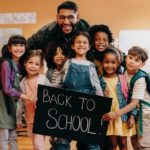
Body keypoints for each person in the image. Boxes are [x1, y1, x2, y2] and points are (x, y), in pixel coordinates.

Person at [55, 31, 103, 150]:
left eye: (85, 42)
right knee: (62, 141)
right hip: (67, 106)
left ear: (89, 46)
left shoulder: (91, 65)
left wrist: (102, 106)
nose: (81, 45)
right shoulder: (67, 63)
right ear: (72, 45)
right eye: (78, 42)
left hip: (88, 107)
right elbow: (58, 83)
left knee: (92, 141)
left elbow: (97, 86)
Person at [102, 46, 150, 150]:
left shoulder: (140, 79)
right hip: (132, 109)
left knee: (142, 142)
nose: (132, 62)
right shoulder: (123, 72)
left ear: (142, 64)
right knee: (134, 139)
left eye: (136, 60)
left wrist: (116, 114)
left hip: (144, 112)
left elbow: (134, 103)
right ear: (125, 58)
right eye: (130, 57)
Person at [99, 48, 136, 150]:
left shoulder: (123, 78)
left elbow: (130, 100)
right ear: (102, 63)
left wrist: (132, 116)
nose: (110, 65)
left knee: (123, 144)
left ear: (118, 63)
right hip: (109, 117)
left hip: (122, 116)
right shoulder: (99, 80)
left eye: (113, 62)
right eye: (106, 62)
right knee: (112, 145)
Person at [0, 35, 30, 150]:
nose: (19, 48)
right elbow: (7, 88)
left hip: (14, 104)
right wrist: (24, 95)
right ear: (9, 48)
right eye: (15, 45)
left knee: (13, 137)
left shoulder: (21, 65)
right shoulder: (6, 64)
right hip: (3, 104)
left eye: (21, 45)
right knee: (4, 137)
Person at [16, 50, 50, 150]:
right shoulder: (23, 82)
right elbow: (20, 102)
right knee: (34, 143)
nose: (33, 66)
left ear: (40, 66)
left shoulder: (43, 79)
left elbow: (50, 97)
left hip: (42, 118)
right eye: (30, 62)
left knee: (38, 144)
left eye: (37, 64)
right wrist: (18, 118)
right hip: (29, 118)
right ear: (25, 63)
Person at [45, 41, 70, 150]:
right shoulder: (50, 72)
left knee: (63, 139)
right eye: (56, 54)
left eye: (62, 53)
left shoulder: (70, 68)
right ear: (51, 56)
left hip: (67, 107)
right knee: (53, 138)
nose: (59, 56)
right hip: (54, 108)